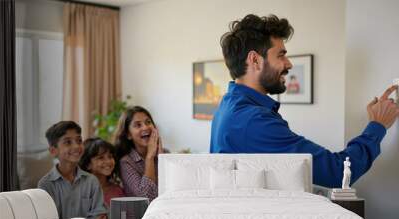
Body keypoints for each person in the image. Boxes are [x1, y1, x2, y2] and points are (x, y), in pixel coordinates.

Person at [210, 14, 399, 188]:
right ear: (255, 60)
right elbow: (338, 172)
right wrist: (377, 125)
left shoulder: (228, 105)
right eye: (281, 55)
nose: (289, 64)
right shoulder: (253, 120)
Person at [38, 121, 108, 219]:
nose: (76, 146)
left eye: (79, 141)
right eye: (68, 142)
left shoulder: (92, 181)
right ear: (53, 151)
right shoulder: (46, 185)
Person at [113, 106, 165, 202]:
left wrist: (162, 159)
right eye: (138, 125)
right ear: (128, 135)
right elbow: (147, 198)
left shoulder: (164, 153)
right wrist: (150, 157)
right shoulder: (126, 162)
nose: (145, 127)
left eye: (148, 122)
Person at [79, 138, 125, 219]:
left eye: (110, 156)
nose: (108, 161)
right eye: (101, 158)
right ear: (88, 165)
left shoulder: (118, 191)